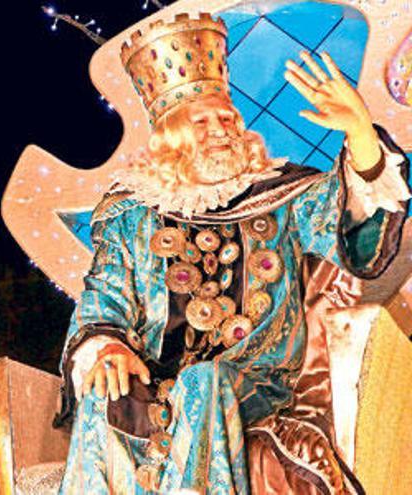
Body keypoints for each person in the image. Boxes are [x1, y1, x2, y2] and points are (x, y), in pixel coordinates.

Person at [55, 13, 410, 495]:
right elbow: (103, 303)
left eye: (227, 117)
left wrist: (361, 136)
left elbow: (358, 234)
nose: (221, 129)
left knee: (204, 382)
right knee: (104, 394)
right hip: (155, 382)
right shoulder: (131, 216)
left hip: (254, 380)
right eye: (201, 121)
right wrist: (108, 348)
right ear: (171, 136)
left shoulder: (282, 195)